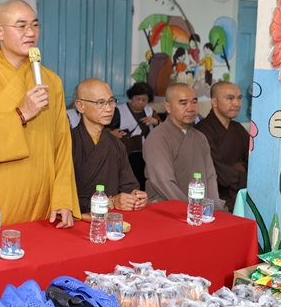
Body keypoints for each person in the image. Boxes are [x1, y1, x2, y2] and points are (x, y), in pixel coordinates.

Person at [0, 0, 80, 231]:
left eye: (35, 25)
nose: (30, 33)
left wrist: (63, 198)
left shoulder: (51, 81)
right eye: (21, 26)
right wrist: (21, 114)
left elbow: (62, 144)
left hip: (42, 201)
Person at [143, 84, 225, 210]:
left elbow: (210, 176)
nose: (191, 108)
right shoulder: (157, 137)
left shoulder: (200, 137)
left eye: (194, 102)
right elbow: (163, 182)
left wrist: (213, 207)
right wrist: (192, 209)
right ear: (168, 107)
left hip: (202, 210)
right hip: (166, 208)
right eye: (183, 103)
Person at [71, 78, 147, 213]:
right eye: (100, 103)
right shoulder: (68, 143)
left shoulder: (116, 145)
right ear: (80, 106)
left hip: (111, 219)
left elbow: (128, 186)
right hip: (76, 219)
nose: (109, 109)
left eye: (111, 101)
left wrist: (135, 196)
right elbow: (63, 197)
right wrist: (110, 202)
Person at [194, 81, 249, 212]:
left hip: (240, 193)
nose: (237, 103)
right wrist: (242, 174)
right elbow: (216, 170)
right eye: (230, 98)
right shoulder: (202, 130)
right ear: (214, 102)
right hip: (213, 198)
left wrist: (242, 171)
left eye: (239, 98)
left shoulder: (238, 129)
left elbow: (253, 161)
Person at [117, 82, 161, 153]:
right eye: (137, 99)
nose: (140, 102)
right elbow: (107, 131)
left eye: (144, 100)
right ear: (132, 97)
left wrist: (155, 122)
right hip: (125, 151)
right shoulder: (118, 111)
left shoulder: (150, 112)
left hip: (148, 151)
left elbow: (164, 128)